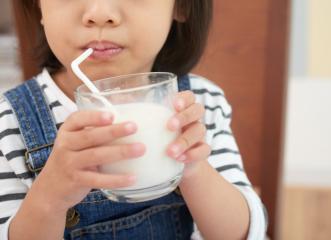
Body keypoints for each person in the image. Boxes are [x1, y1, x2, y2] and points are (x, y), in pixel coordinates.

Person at [0, 1, 267, 239]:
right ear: (38, 7)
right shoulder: (9, 121)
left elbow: (246, 232)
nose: (100, 13)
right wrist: (50, 198)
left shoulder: (200, 103)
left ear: (181, 6)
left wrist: (195, 170)